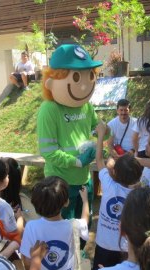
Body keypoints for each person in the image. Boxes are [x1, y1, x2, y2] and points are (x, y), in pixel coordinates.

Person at [37, 44, 103, 222]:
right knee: (63, 229)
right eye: (76, 77)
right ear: (51, 81)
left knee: (83, 224)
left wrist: (105, 134)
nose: (84, 86)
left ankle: (81, 251)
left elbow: (96, 128)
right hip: (60, 183)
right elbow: (47, 150)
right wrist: (76, 161)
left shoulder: (86, 105)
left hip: (84, 179)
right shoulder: (50, 109)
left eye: (89, 76)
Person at [20, 176, 90, 270]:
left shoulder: (31, 227)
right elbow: (85, 220)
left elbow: (26, 259)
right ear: (66, 202)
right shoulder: (73, 225)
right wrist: (85, 201)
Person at [92, 122, 142, 270]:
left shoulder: (108, 185)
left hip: (104, 245)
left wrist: (101, 135)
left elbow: (99, 160)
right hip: (127, 248)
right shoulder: (138, 194)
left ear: (114, 172)